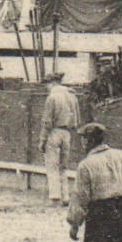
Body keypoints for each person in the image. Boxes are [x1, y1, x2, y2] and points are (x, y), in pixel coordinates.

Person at [38, 70, 81, 205]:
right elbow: (77, 119)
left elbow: (47, 121)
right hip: (67, 133)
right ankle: (66, 196)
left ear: (53, 83)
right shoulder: (72, 96)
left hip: (54, 132)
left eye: (47, 84)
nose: (46, 87)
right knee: (63, 167)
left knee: (52, 166)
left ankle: (55, 197)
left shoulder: (52, 97)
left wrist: (42, 139)